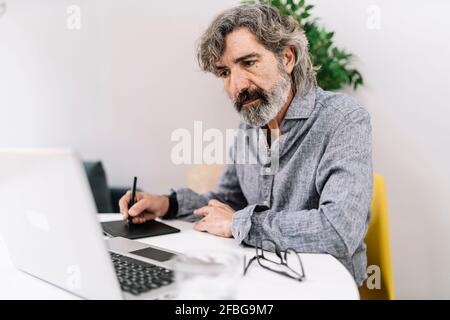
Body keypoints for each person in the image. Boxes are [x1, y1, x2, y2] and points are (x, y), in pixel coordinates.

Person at [119, 4, 372, 286]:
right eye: (224, 73)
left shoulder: (344, 119)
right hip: (261, 275)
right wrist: (168, 204)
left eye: (249, 63)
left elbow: (339, 230)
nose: (237, 86)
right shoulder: (251, 123)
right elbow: (229, 201)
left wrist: (239, 224)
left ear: (287, 58)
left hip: (322, 284)